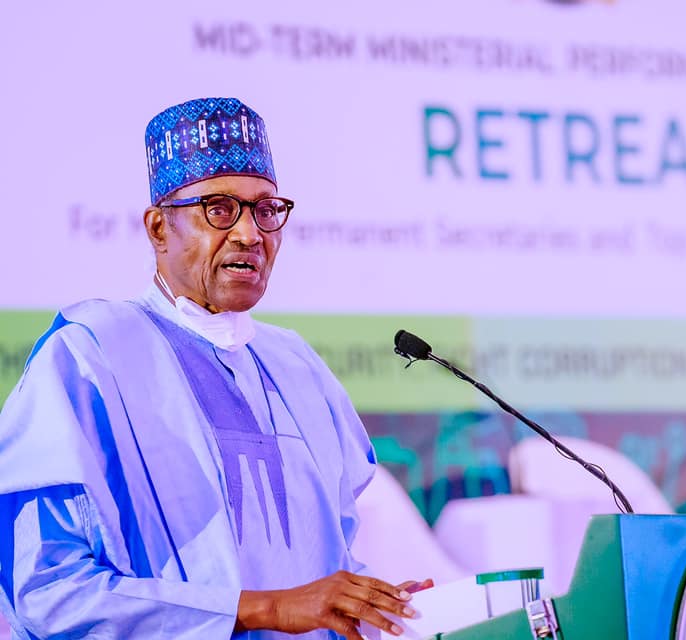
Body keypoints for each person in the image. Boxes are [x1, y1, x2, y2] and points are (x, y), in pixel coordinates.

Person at [0, 97, 427, 639]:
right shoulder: (90, 358)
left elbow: (323, 565)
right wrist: (260, 609)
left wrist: (381, 606)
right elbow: (48, 593)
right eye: (220, 210)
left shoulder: (295, 366)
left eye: (266, 210)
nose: (251, 234)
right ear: (158, 229)